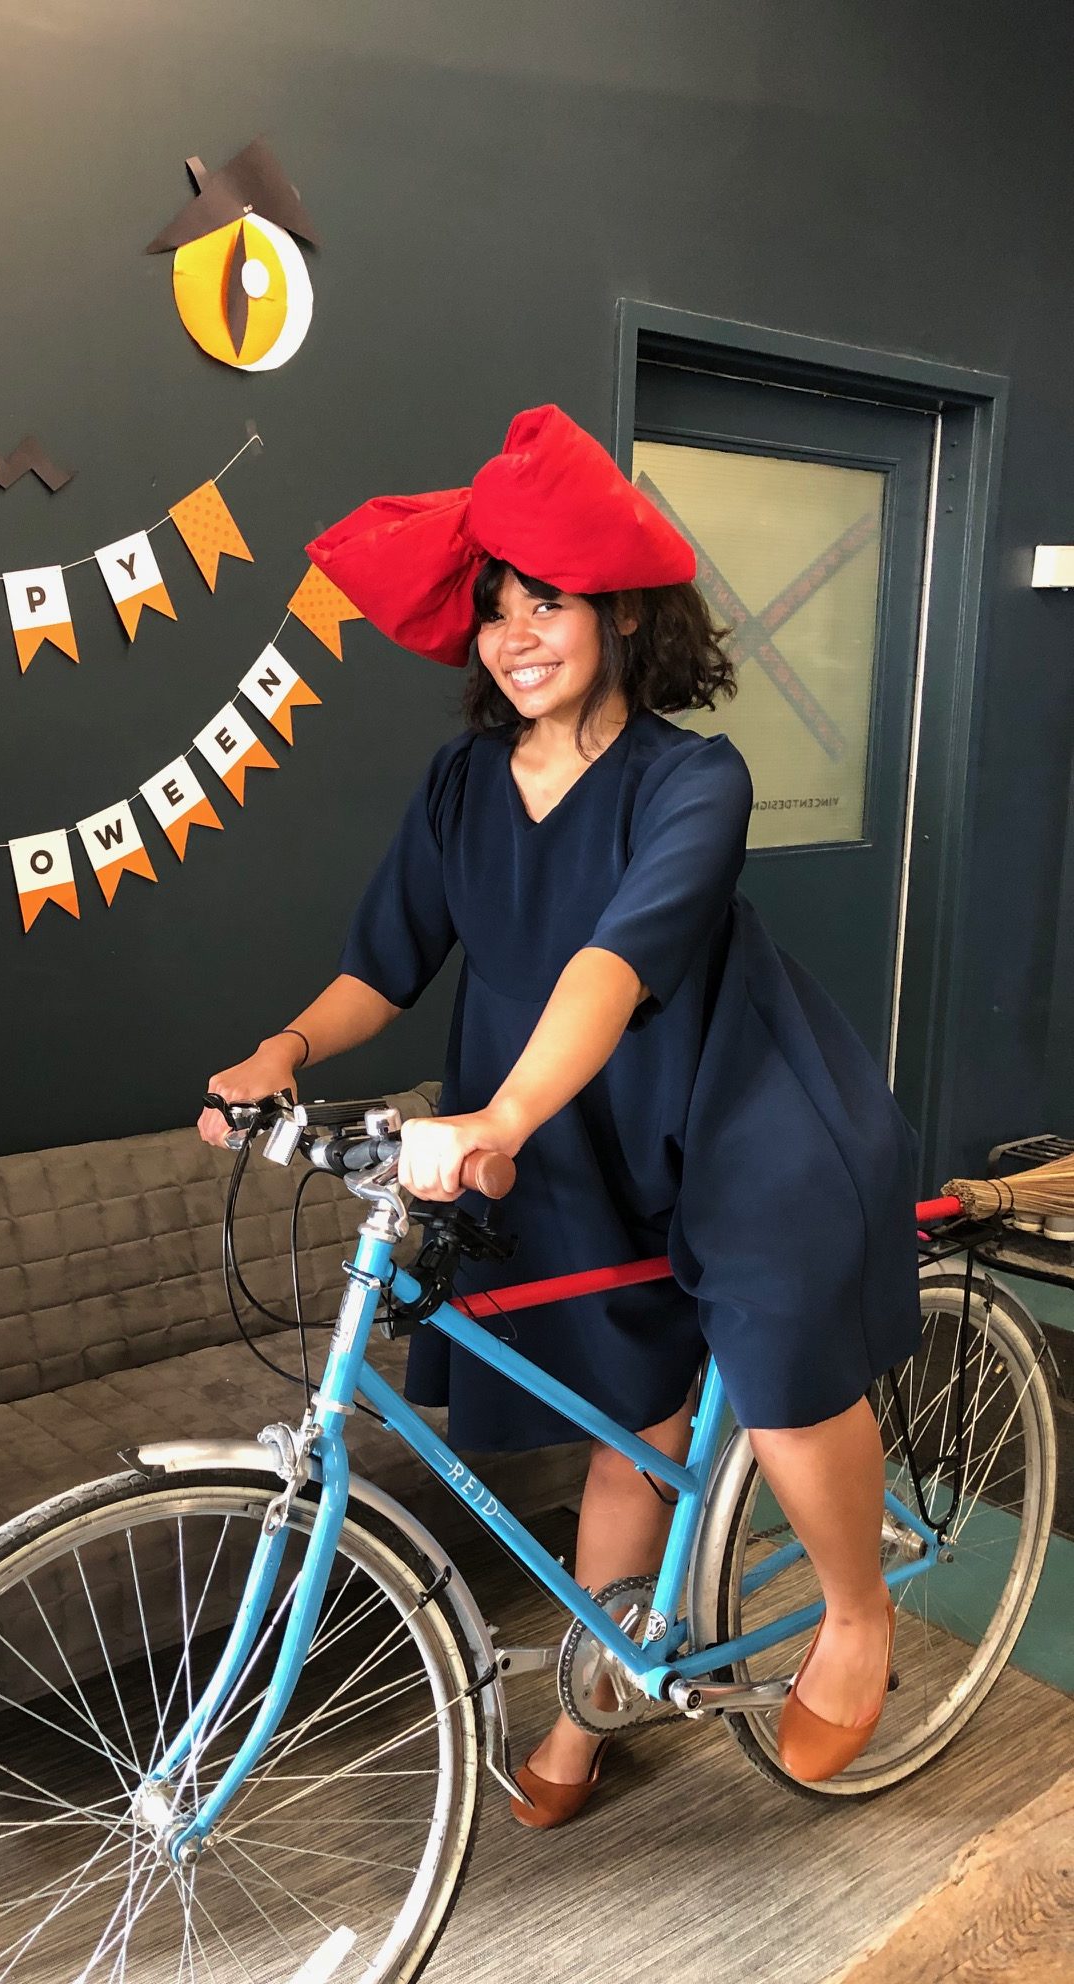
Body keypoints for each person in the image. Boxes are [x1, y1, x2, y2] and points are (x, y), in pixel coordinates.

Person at [198, 406, 921, 1828]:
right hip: (567, 1136)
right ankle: (592, 1708)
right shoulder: (466, 781)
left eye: (550, 602)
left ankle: (855, 1617)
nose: (519, 633)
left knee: (774, 1364)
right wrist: (278, 1050)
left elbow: (611, 963)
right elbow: (381, 967)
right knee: (623, 1420)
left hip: (738, 1108)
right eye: (497, 610)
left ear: (618, 615)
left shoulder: (691, 777)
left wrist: (505, 1111)